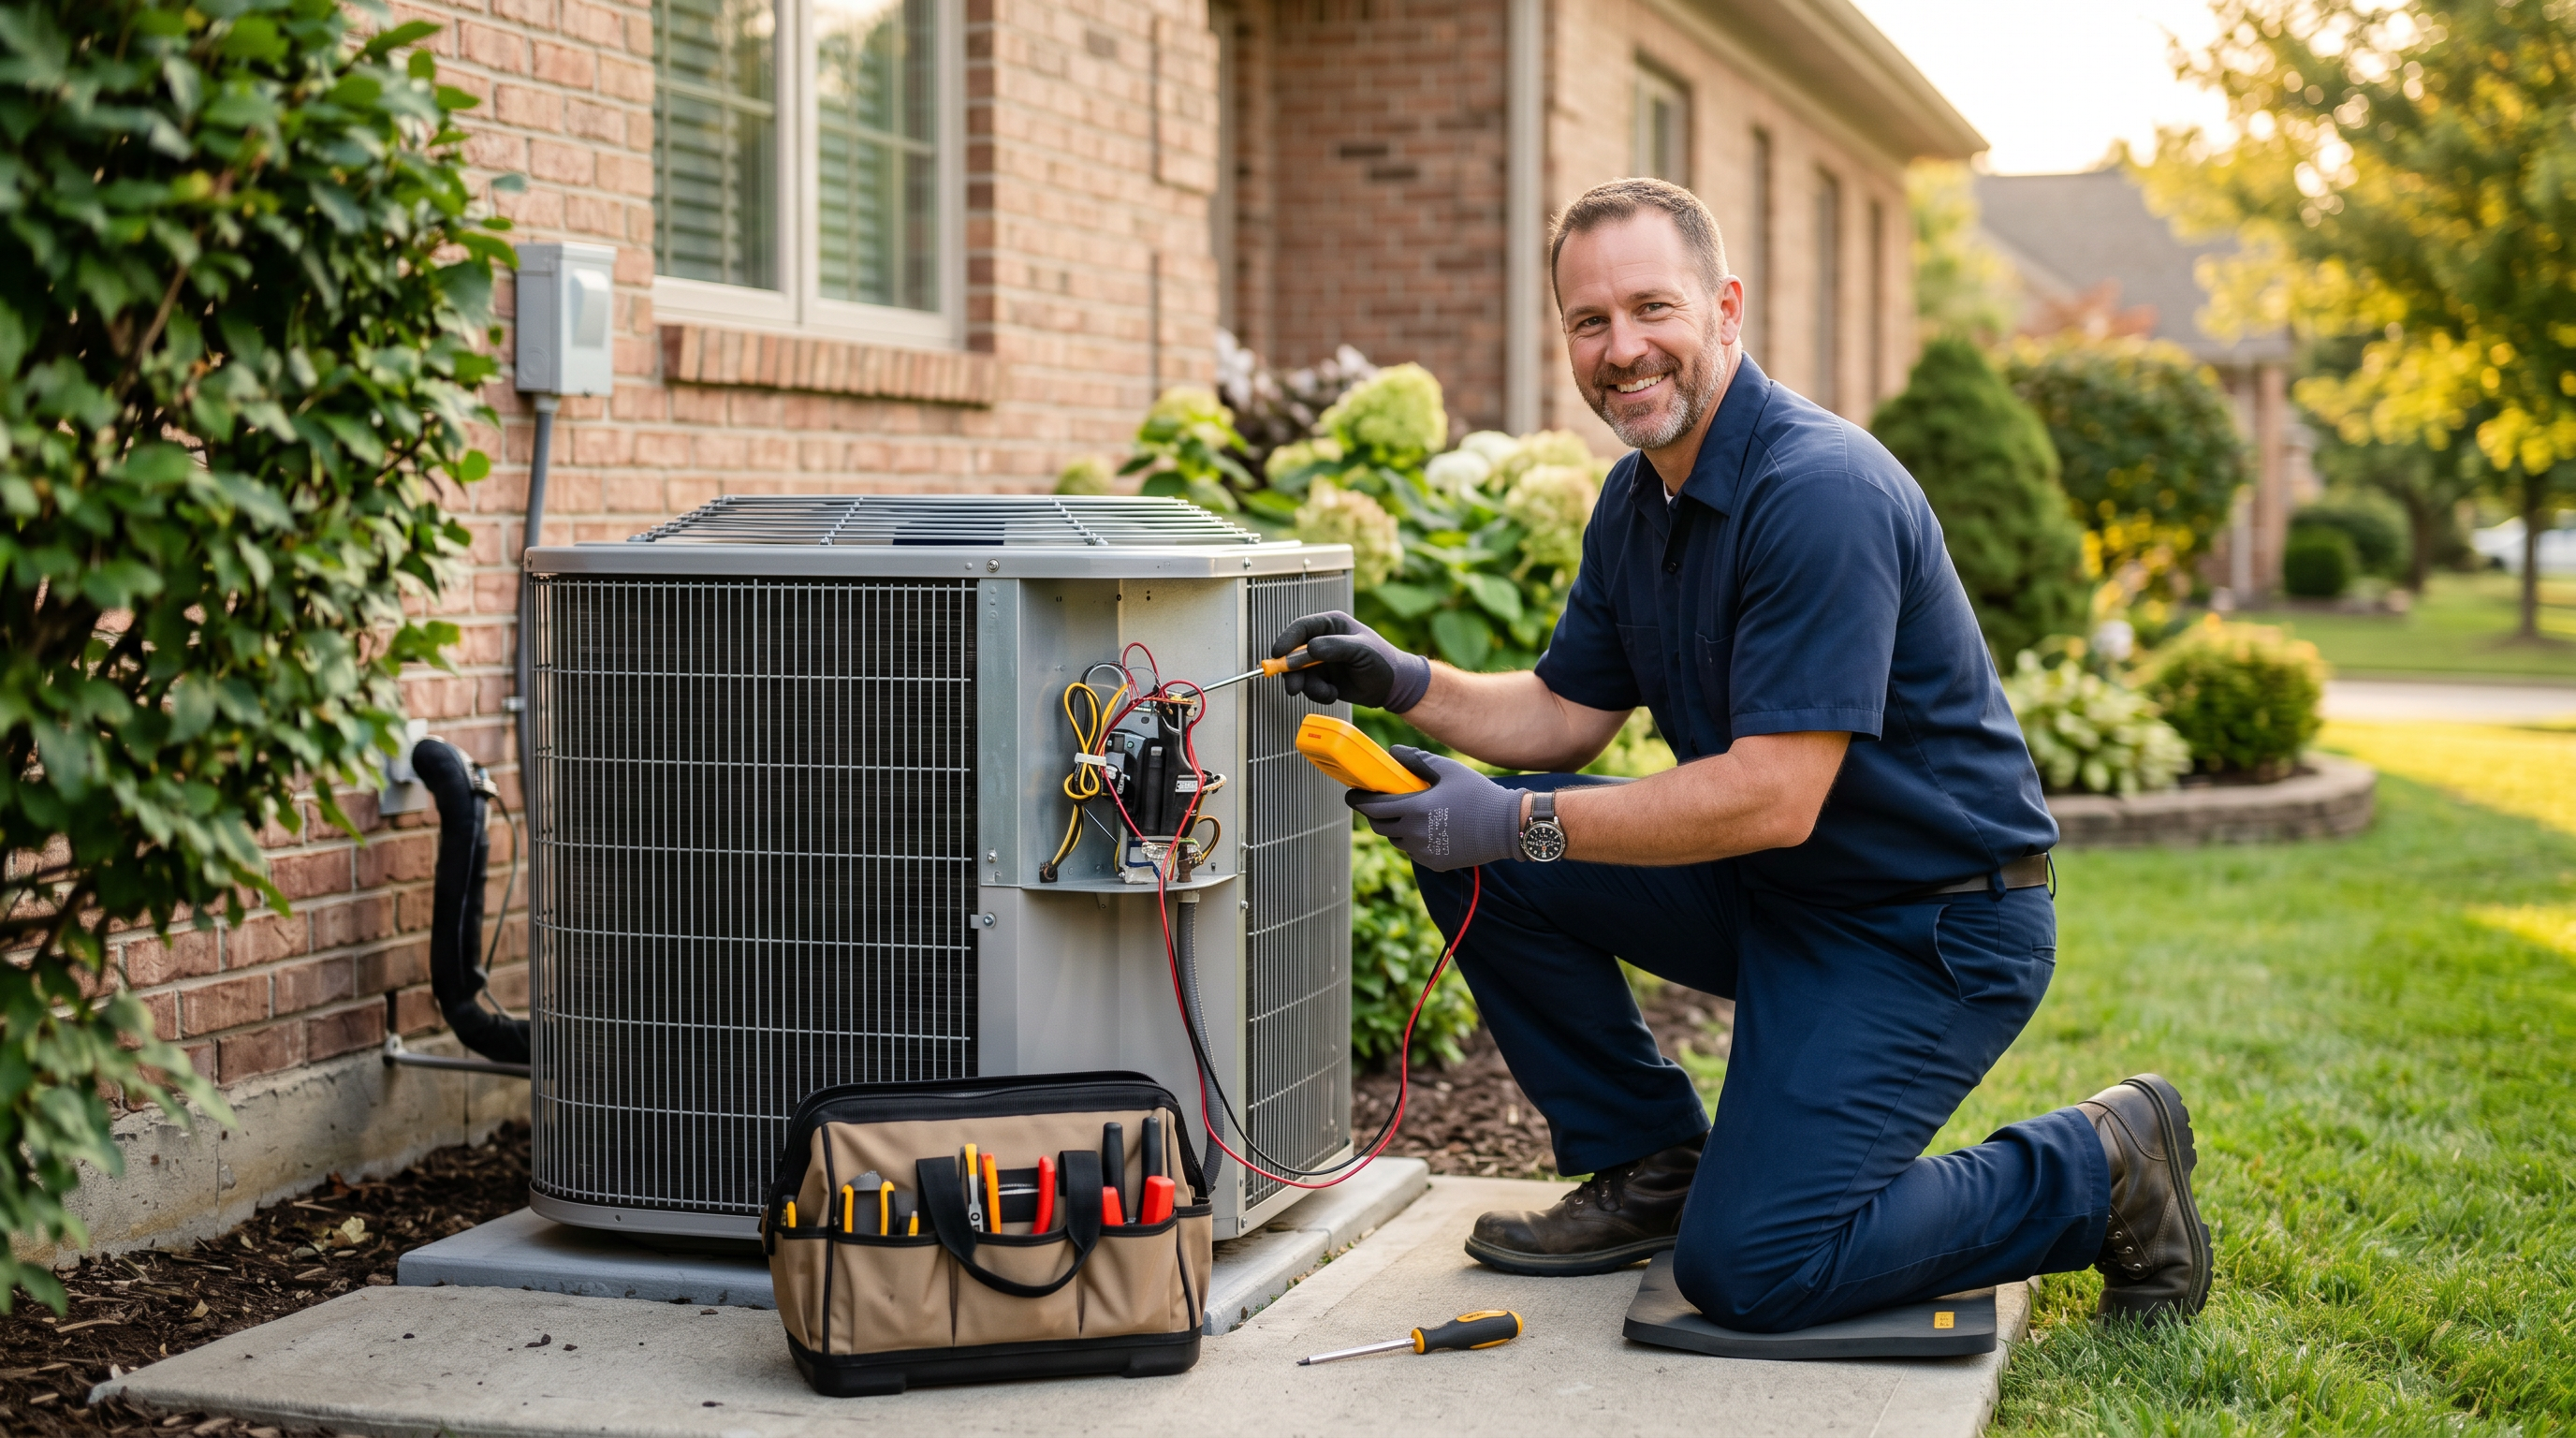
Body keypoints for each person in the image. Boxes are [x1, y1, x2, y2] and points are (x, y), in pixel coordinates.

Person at [1270, 178, 2209, 1332]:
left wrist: (1514, 819)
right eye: (1588, 322)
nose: (1622, 350)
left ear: (1724, 308)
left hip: (1927, 927)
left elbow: (1771, 795)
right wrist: (1407, 682)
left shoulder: (1819, 493)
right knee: (1481, 851)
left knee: (1754, 1267)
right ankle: (1651, 1164)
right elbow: (1566, 712)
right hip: (1780, 896)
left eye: (1650, 309)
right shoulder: (1635, 503)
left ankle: (2102, 1163)